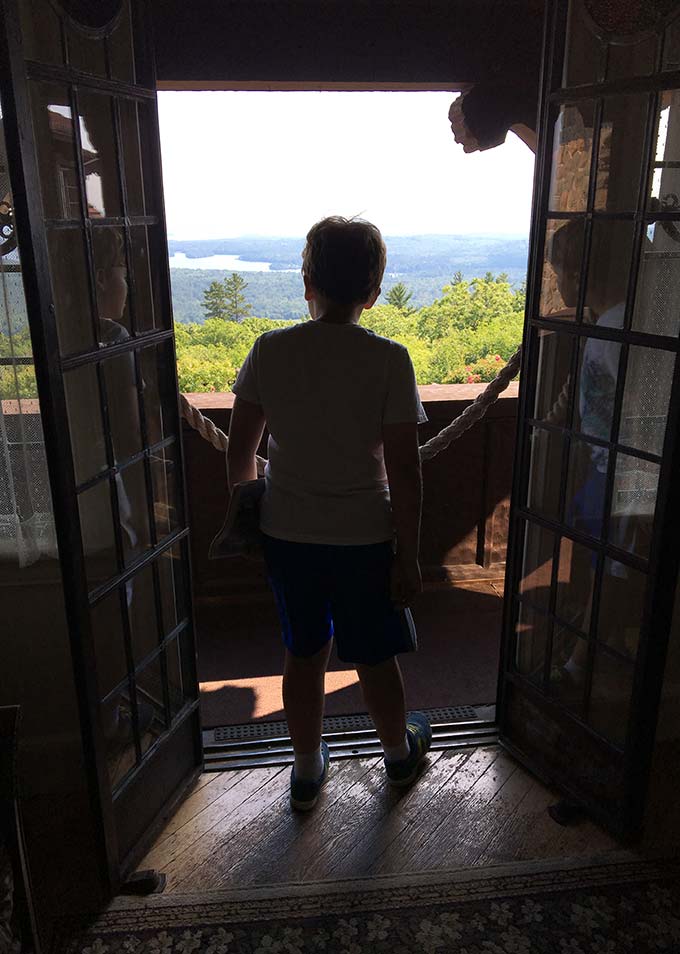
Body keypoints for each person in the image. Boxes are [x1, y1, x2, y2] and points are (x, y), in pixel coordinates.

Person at [226, 216, 432, 810]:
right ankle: (397, 756)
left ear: (307, 281)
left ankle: (307, 769)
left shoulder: (270, 350)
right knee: (373, 654)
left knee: (303, 652)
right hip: (365, 537)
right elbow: (406, 470)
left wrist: (245, 520)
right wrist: (409, 553)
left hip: (287, 533)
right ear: (373, 290)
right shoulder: (389, 359)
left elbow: (241, 452)